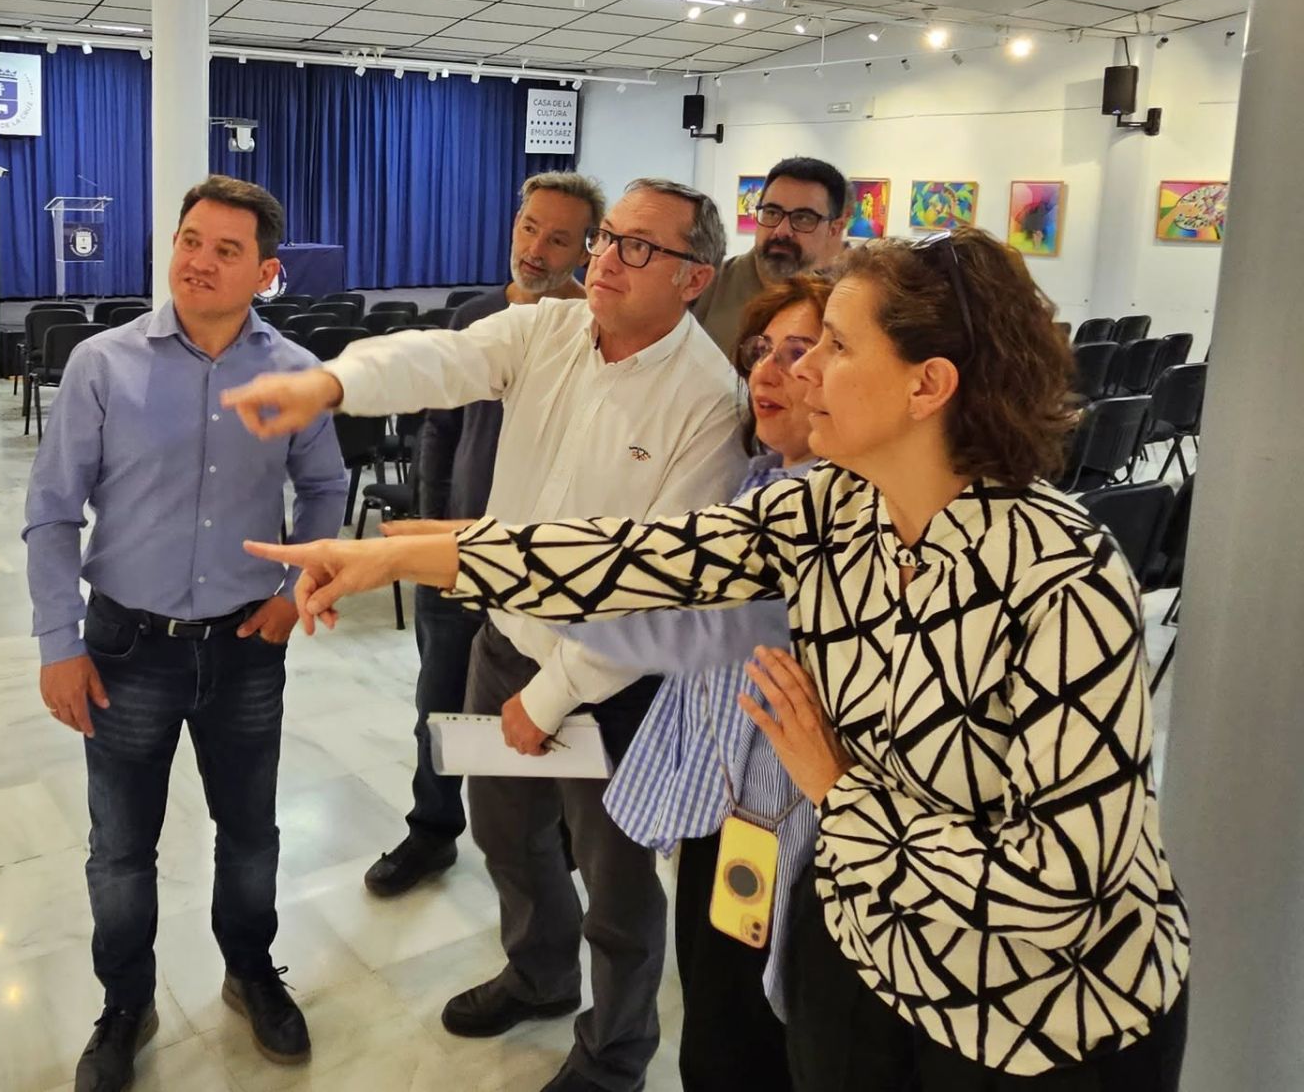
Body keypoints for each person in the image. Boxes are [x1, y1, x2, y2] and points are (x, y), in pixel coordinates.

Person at [248, 228, 1191, 1091]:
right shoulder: (829, 509)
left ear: (927, 385)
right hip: (869, 957)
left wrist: (835, 789)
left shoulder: (1058, 574)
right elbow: (628, 557)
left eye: (835, 345)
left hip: (1037, 1023)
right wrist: (393, 556)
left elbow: (1058, 885)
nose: (800, 369)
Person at [222, 179, 746, 1092]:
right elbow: (443, 358)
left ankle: (615, 1054)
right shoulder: (551, 330)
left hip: (611, 681)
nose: (605, 260)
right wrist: (331, 382)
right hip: (506, 637)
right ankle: (541, 974)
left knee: (617, 889)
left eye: (637, 248)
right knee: (507, 833)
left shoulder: (708, 401)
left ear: (694, 277)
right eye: (608, 239)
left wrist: (547, 700)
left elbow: (658, 595)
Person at [24, 176, 349, 1092]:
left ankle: (250, 970)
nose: (198, 261)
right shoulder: (103, 363)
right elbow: (52, 511)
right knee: (121, 845)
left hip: (248, 643)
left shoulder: (291, 370)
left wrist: (296, 587)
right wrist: (59, 639)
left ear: (266, 272)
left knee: (250, 831)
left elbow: (325, 487)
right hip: (127, 643)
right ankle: (126, 1000)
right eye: (189, 239)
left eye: (225, 249)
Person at [565, 273, 834, 1092]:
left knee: (748, 1039)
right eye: (761, 350)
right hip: (730, 808)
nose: (767, 371)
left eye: (801, 352)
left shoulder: (823, 511)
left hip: (792, 818)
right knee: (715, 1023)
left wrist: (456, 557)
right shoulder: (757, 478)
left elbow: (670, 618)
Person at [365, 170, 604, 899]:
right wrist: (437, 527)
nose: (535, 248)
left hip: (546, 572)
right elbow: (438, 427)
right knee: (438, 705)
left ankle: (554, 847)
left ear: (588, 248)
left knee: (550, 713)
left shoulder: (598, 329)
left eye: (558, 237)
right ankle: (432, 830)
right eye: (528, 227)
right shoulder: (474, 313)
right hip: (460, 562)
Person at [693, 156, 849, 352]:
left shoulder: (840, 307)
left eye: (803, 218)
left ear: (834, 229)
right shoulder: (705, 286)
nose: (782, 230)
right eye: (772, 212)